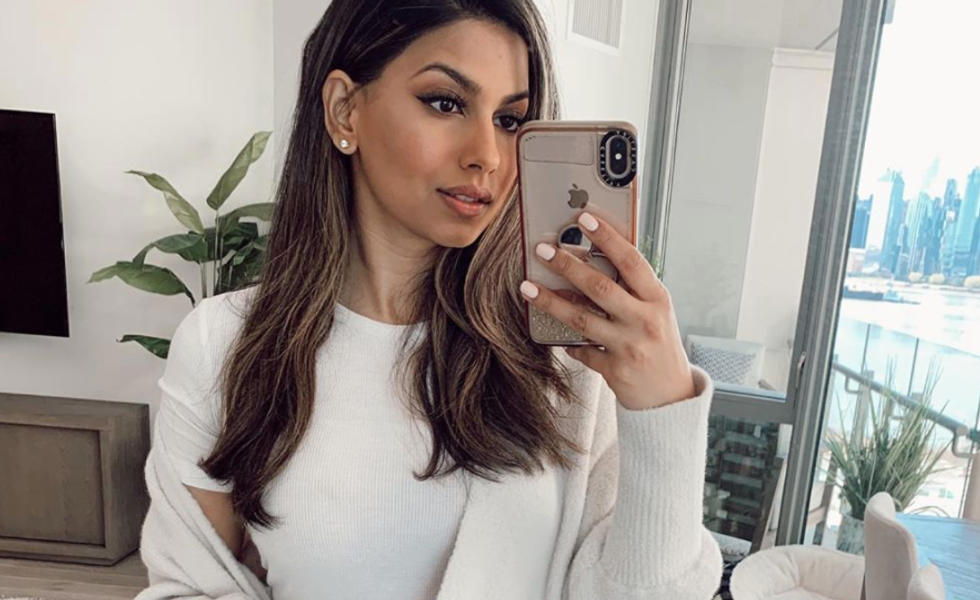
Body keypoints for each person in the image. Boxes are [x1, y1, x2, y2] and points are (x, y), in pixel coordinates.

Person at [142, 1, 723, 599]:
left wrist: (663, 410)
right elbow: (189, 585)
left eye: (509, 119)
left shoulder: (565, 357)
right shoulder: (225, 345)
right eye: (446, 103)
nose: (489, 157)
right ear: (345, 109)